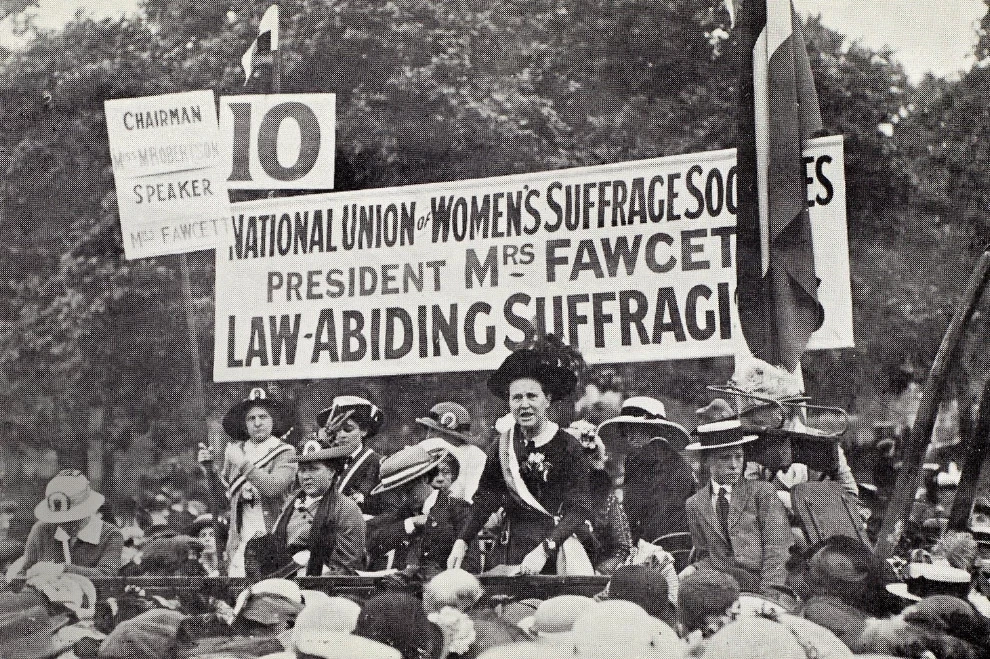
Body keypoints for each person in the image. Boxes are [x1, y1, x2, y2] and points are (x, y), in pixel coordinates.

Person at [448, 336, 594, 575]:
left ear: (547, 400)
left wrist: (546, 548)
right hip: (511, 548)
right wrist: (462, 541)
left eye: (531, 396)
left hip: (556, 550)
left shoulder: (567, 446)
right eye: (517, 397)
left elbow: (580, 508)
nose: (524, 404)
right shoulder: (502, 445)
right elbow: (486, 498)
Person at [684, 399, 792, 599]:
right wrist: (695, 568)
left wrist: (769, 596)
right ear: (707, 461)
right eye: (725, 458)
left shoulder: (762, 493)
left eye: (739, 456)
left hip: (762, 585)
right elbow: (707, 554)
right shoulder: (695, 504)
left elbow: (778, 549)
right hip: (721, 590)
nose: (734, 465)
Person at [199, 387, 298, 578]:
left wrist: (242, 463)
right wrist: (209, 469)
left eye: (263, 417)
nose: (257, 423)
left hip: (274, 542)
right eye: (251, 419)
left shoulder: (285, 452)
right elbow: (223, 502)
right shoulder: (236, 451)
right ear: (244, 425)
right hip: (241, 542)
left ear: (273, 420)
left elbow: (272, 488)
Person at [254, 436, 366, 577]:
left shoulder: (346, 509)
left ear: (331, 472)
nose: (306, 476)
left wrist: (311, 568)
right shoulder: (291, 503)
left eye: (314, 469)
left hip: (323, 588)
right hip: (282, 581)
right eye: (302, 470)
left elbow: (347, 567)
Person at [597, 396, 695, 545]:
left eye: (633, 429)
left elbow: (631, 510)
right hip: (687, 545)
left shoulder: (637, 458)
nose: (628, 437)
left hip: (653, 547)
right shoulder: (682, 463)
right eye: (624, 432)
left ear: (650, 428)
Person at [367, 445, 473, 576]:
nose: (403, 498)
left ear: (424, 479)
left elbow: (470, 566)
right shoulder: (403, 513)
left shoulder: (460, 510)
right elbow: (370, 541)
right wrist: (410, 523)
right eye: (397, 493)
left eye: (407, 490)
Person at [18, 469, 124, 578]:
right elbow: (24, 571)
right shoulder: (42, 530)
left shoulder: (111, 535)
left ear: (86, 510)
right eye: (57, 518)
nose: (63, 523)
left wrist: (63, 569)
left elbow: (107, 575)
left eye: (72, 518)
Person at [314, 395, 384, 514]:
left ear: (364, 431)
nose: (341, 435)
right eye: (336, 429)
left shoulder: (378, 463)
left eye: (348, 429)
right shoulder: (327, 460)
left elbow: (384, 508)